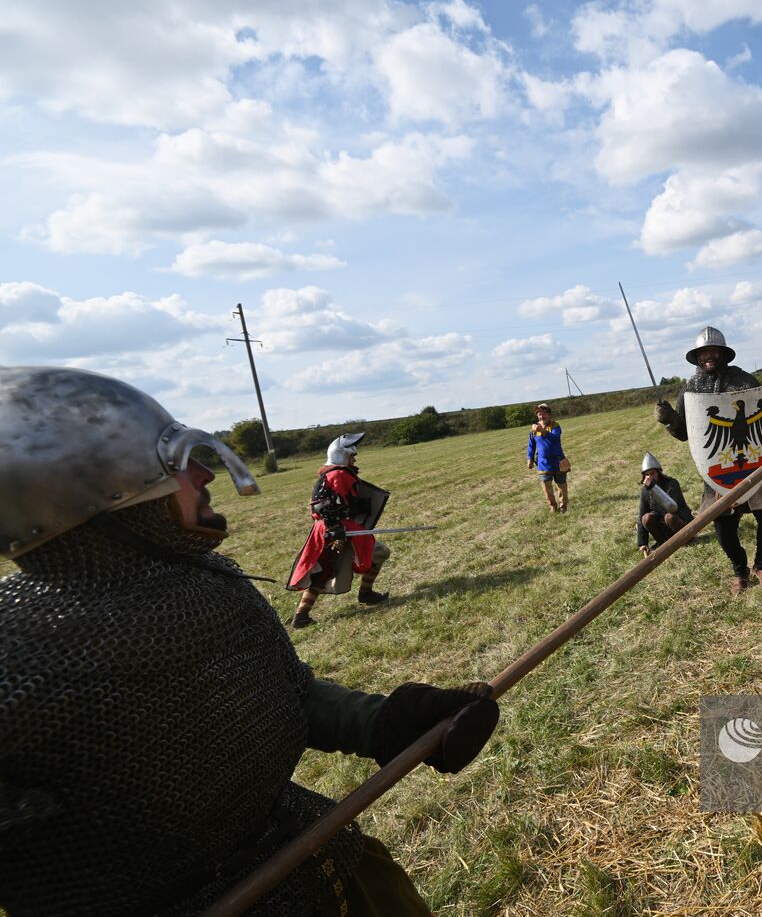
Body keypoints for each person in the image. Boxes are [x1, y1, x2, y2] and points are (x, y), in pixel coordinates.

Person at [0, 365, 499, 917]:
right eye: (178, 464)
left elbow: (287, 696)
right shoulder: (13, 658)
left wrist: (392, 722)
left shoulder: (211, 585)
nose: (206, 476)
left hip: (314, 856)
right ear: (101, 493)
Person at [654, 326, 762, 593]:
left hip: (751, 457)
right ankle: (739, 569)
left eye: (713, 351)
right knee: (723, 525)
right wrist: (670, 420)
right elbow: (684, 435)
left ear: (723, 353)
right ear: (698, 356)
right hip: (718, 464)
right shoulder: (690, 389)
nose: (709, 356)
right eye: (704, 352)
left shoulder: (744, 381)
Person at [286, 432, 392, 629]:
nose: (354, 459)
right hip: (336, 530)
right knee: (378, 553)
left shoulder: (334, 474)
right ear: (342, 456)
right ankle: (365, 594)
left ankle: (302, 615)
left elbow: (337, 503)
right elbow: (320, 506)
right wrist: (336, 530)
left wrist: (357, 508)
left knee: (324, 569)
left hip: (335, 528)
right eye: (352, 456)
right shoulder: (338, 475)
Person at [636, 452, 694, 558]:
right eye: (647, 474)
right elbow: (641, 516)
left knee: (669, 517)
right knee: (646, 518)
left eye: (652, 473)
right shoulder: (645, 490)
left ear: (658, 472)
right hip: (665, 530)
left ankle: (684, 540)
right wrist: (642, 542)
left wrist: (653, 488)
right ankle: (662, 542)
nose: (650, 477)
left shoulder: (671, 483)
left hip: (680, 524)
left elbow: (672, 507)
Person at [527, 402, 569, 514]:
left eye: (544, 414)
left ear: (549, 414)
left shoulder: (555, 425)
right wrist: (530, 458)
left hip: (558, 461)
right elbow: (531, 445)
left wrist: (543, 431)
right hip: (543, 463)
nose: (541, 416)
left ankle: (563, 507)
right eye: (539, 414)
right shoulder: (533, 429)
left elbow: (555, 438)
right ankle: (553, 507)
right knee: (546, 487)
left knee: (562, 485)